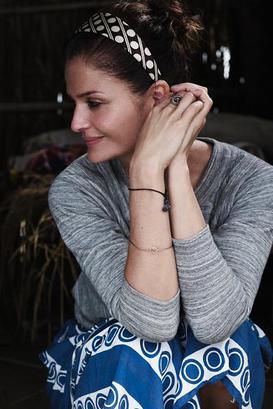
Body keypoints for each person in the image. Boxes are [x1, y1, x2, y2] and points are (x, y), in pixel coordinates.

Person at [39, 1, 273, 408]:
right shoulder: (76, 189)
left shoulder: (253, 181)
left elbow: (217, 320)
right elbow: (152, 320)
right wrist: (146, 172)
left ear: (157, 97)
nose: (76, 123)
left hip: (214, 363)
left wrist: (172, 167)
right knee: (132, 345)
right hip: (109, 364)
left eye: (93, 103)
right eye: (74, 103)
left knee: (225, 339)